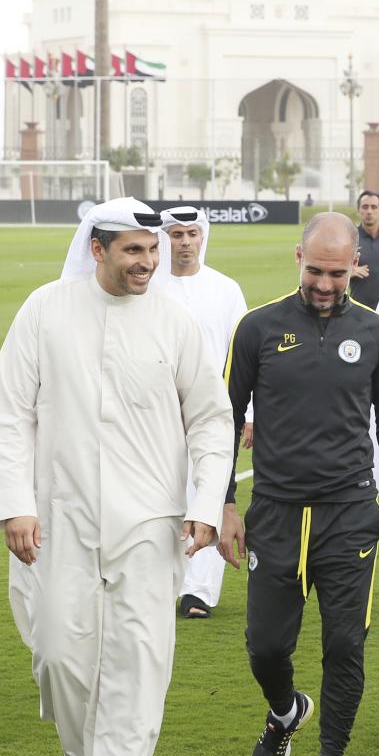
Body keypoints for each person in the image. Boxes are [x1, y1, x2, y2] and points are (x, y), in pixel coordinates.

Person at [0, 198, 234, 756]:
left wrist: (206, 505)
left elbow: (211, 419)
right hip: (60, 517)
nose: (148, 263)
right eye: (133, 251)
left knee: (138, 658)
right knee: (60, 658)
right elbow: (11, 412)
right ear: (97, 250)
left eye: (151, 250)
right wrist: (16, 501)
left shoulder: (175, 323)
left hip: (149, 524)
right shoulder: (45, 310)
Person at [219, 211, 379, 756]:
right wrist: (224, 502)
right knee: (266, 648)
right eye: (314, 270)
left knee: (344, 645)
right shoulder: (256, 329)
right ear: (295, 257)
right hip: (275, 511)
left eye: (337, 272)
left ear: (357, 264)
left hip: (349, 513)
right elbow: (224, 421)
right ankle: (284, 710)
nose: (326, 284)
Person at [160, 205, 252, 619]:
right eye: (176, 235)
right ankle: (164, 581)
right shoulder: (150, 287)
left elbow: (244, 356)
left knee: (210, 491)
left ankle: (198, 591)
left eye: (191, 235)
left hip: (213, 410)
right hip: (156, 409)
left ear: (202, 238)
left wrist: (249, 412)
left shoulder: (226, 289)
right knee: (163, 494)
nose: (184, 243)